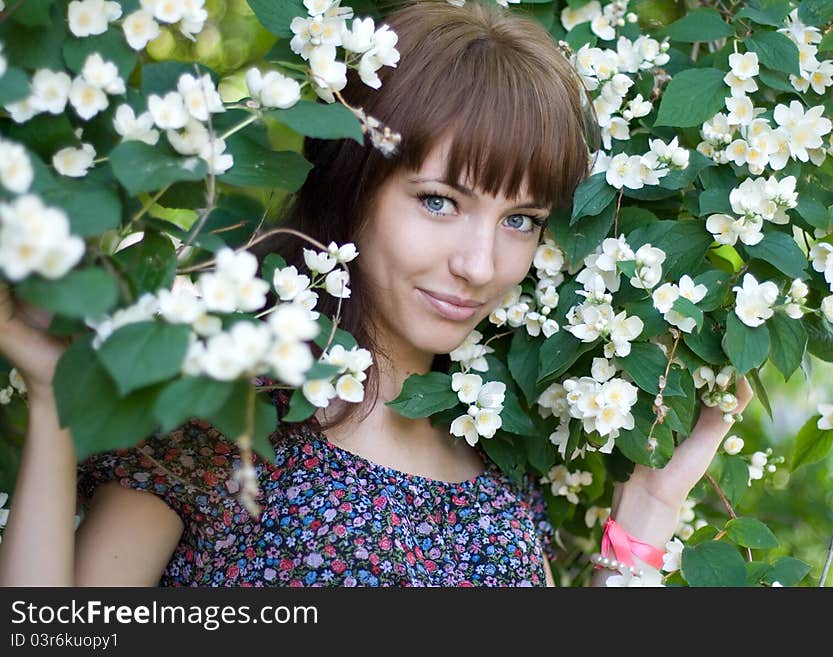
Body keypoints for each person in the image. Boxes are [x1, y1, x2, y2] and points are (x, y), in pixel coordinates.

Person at [0, 0, 751, 587]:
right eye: (438, 201)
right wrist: (49, 399)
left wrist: (650, 502)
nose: (480, 263)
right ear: (354, 187)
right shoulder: (226, 418)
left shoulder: (500, 473)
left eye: (520, 220)